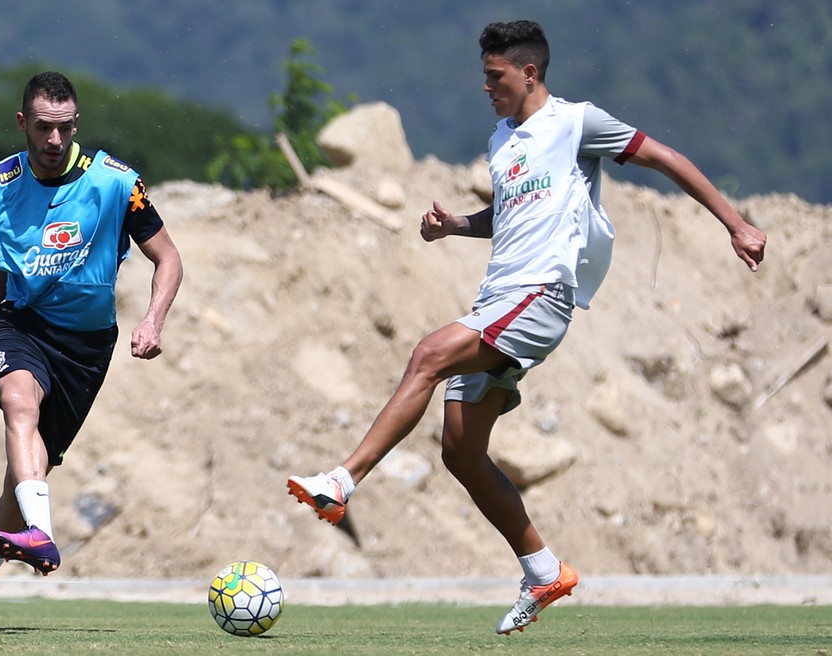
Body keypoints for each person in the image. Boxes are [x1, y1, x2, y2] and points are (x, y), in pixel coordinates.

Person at [288, 20, 766, 635]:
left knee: (428, 354)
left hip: (541, 295)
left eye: (495, 77)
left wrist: (736, 223)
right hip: (498, 298)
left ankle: (342, 480)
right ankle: (543, 571)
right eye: (484, 77)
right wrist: (458, 224)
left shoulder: (577, 122)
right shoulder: (502, 138)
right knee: (461, 450)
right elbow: (511, 215)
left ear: (529, 72)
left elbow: (664, 157)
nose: (485, 88)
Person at [0, 71, 184, 632]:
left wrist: (152, 319)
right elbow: (6, 260)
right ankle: (43, 534)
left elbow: (168, 258)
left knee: (21, 481)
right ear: (24, 123)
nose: (53, 141)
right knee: (18, 403)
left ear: (77, 123)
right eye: (43, 128)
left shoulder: (117, 183)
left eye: (64, 128)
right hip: (22, 325)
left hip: (86, 346)